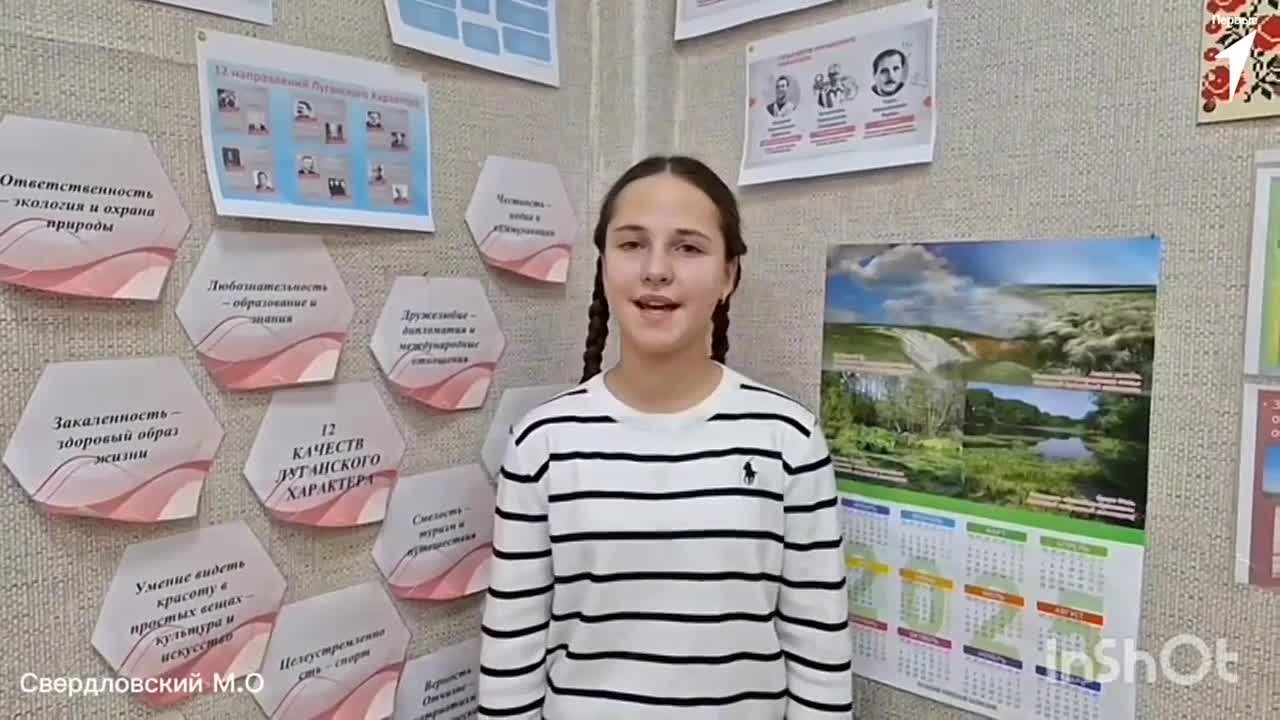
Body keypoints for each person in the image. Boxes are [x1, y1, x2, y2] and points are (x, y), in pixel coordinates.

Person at [478, 155, 853, 719]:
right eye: (632, 244)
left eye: (688, 247)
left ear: (728, 276)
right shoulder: (542, 443)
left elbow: (819, 656)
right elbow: (511, 655)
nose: (656, 270)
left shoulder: (789, 440)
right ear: (604, 266)